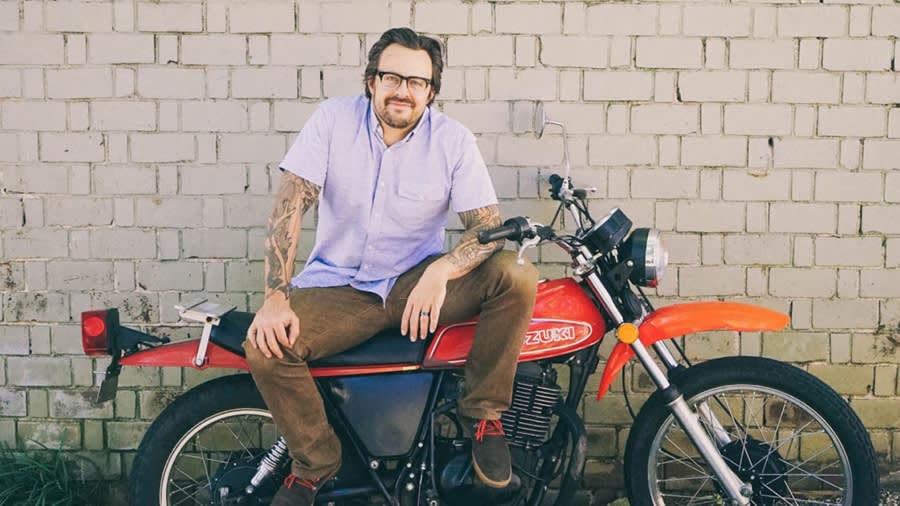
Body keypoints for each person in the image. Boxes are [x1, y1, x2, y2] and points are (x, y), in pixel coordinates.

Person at [243, 27, 538, 506]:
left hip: (417, 287)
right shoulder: (332, 121)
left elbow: (486, 225)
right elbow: (290, 206)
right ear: (371, 81)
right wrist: (276, 294)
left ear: (431, 92)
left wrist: (440, 272)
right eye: (392, 77)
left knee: (518, 274)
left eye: (417, 82)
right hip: (340, 288)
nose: (403, 89)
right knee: (266, 348)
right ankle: (316, 463)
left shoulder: (452, 140)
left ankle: (482, 413)